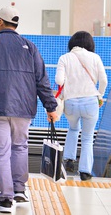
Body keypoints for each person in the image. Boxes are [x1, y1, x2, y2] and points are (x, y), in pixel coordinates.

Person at [0, 6, 58, 213]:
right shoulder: (29, 47)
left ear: (1, 22)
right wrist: (51, 106)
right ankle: (19, 189)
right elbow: (41, 80)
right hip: (23, 108)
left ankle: (5, 199)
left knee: (1, 152)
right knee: (20, 147)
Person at [56, 31, 107, 181]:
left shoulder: (64, 58)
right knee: (87, 137)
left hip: (71, 102)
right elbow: (104, 80)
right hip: (90, 101)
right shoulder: (95, 57)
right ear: (90, 44)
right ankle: (85, 171)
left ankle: (69, 160)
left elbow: (59, 80)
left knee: (73, 129)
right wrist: (100, 95)